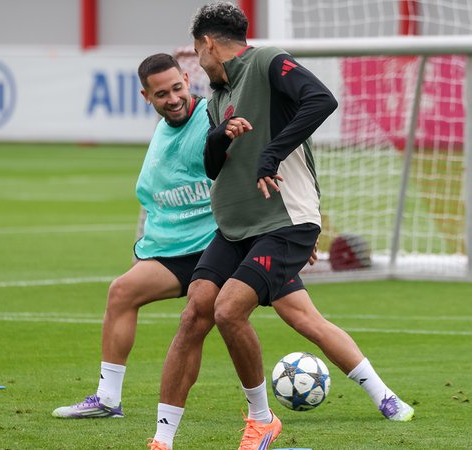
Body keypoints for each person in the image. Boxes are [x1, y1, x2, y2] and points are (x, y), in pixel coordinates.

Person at [52, 53, 412, 441]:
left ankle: (382, 396)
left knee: (305, 320)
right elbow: (170, 190)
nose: (172, 98)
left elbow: (275, 171)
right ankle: (112, 399)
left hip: (241, 242)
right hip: (193, 251)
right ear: (146, 97)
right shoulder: (164, 131)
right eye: (161, 94)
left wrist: (295, 231)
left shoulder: (216, 113)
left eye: (177, 88)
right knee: (130, 295)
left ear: (187, 81)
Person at [148, 3, 413, 450]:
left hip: (284, 222)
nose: (199, 61)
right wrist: (219, 135)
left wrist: (271, 153)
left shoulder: (268, 59)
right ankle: (162, 439)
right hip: (236, 228)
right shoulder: (217, 97)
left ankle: (262, 419)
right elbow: (215, 168)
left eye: (198, 51)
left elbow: (322, 99)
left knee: (229, 310)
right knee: (196, 312)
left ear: (209, 44)